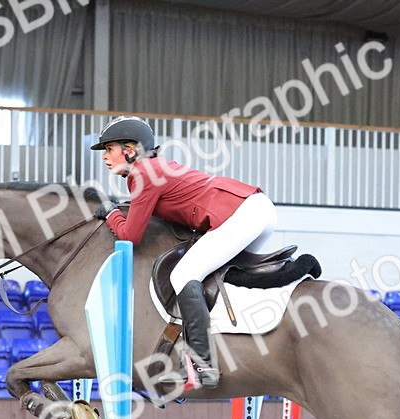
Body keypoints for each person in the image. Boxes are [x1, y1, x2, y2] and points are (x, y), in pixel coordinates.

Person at [90, 116, 276, 389]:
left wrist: (111, 214)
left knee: (183, 274)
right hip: (256, 210)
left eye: (109, 149)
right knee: (213, 279)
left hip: (244, 213)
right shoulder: (153, 168)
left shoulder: (143, 173)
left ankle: (203, 364)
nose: (105, 157)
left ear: (130, 150)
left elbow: (130, 236)